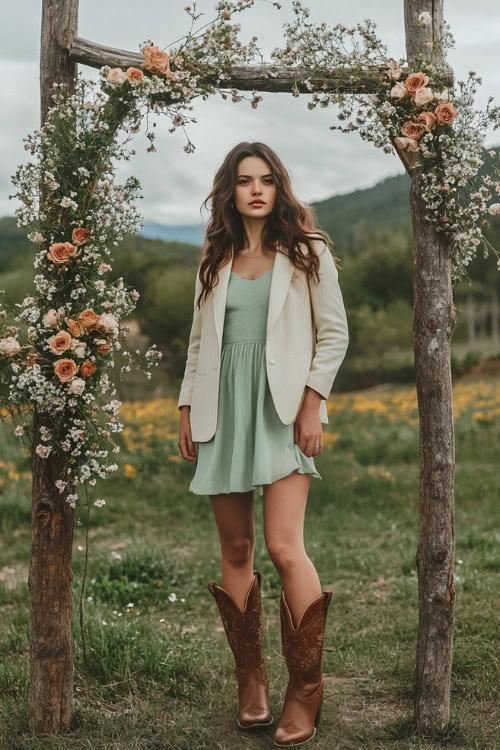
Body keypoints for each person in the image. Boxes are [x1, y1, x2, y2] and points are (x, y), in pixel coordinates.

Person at [177, 141, 349, 746]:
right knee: (237, 545)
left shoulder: (308, 252)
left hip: (282, 410)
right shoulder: (215, 255)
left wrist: (311, 406)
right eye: (245, 180)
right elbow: (200, 342)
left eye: (267, 180)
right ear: (231, 189)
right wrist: (186, 405)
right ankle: (251, 681)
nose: (256, 189)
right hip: (223, 409)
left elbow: (334, 335)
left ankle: (305, 691)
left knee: (282, 546)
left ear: (280, 188)